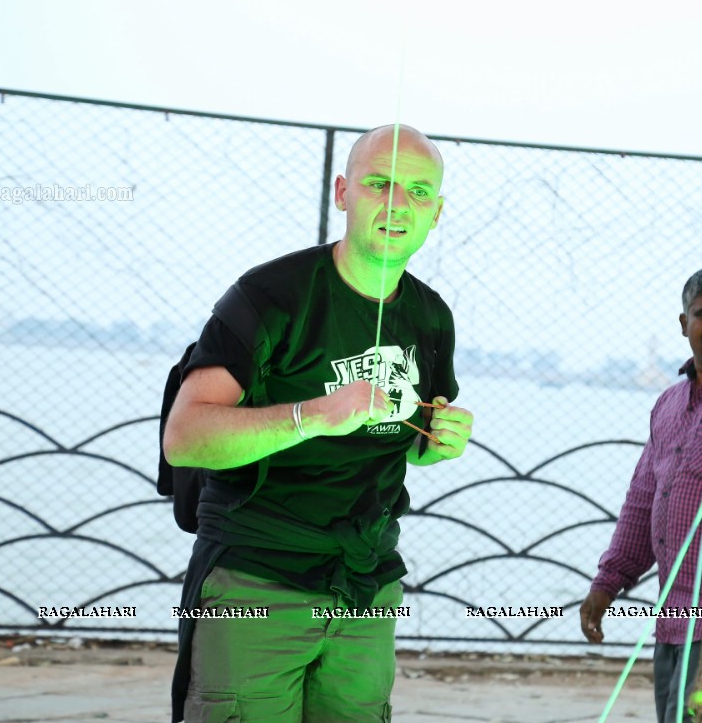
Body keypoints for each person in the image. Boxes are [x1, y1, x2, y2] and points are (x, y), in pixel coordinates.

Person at [163, 124, 474, 722]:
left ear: (436, 212)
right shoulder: (271, 295)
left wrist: (439, 444)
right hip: (257, 575)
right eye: (378, 183)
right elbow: (186, 437)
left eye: (416, 191)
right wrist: (311, 416)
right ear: (342, 191)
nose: (395, 204)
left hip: (368, 583)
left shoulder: (431, 316)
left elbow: (414, 443)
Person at [580, 265, 702, 723]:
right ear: (684, 324)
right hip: (671, 626)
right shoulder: (667, 404)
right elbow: (642, 502)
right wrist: (606, 584)